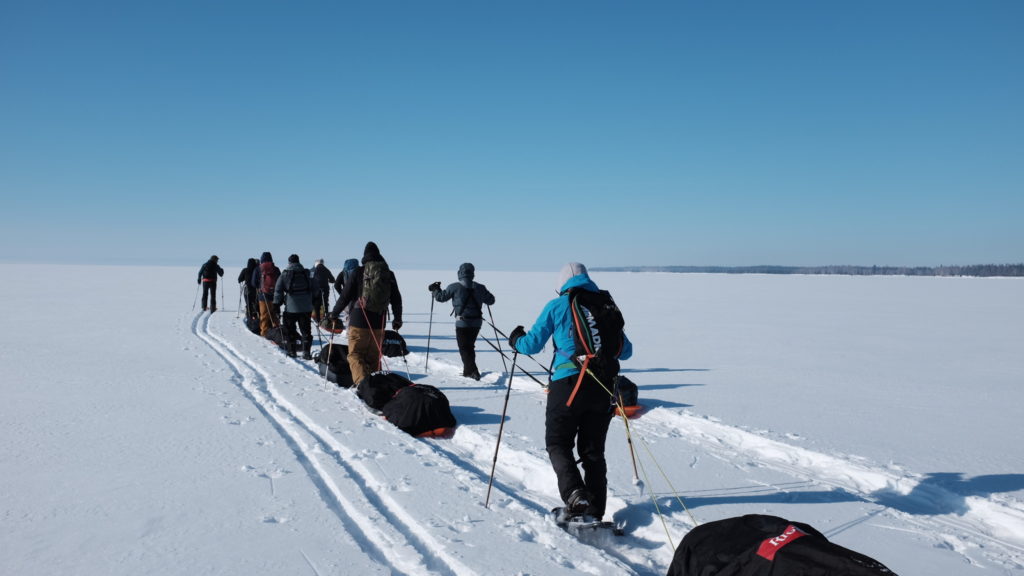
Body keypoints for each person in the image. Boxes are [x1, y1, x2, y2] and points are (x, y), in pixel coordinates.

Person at [508, 262, 632, 521]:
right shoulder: (605, 305)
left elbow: (530, 345)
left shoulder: (558, 305)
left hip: (569, 385)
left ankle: (575, 494)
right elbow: (626, 350)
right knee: (593, 451)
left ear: (562, 284)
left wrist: (515, 339)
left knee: (557, 442)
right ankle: (596, 512)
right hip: (603, 386)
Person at [328, 242, 403, 386]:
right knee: (374, 357)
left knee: (355, 355)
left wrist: (334, 314)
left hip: (359, 319)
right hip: (379, 320)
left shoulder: (358, 272)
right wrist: (397, 318)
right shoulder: (388, 274)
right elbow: (396, 299)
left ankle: (364, 386)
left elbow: (345, 296)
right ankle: (376, 389)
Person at [428, 262, 495, 380]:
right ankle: (468, 370)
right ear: (473, 274)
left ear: (459, 273)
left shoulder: (454, 287)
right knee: (469, 346)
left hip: (462, 323)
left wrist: (435, 289)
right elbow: (491, 300)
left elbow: (440, 297)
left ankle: (472, 371)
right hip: (477, 323)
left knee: (464, 347)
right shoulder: (480, 287)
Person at [274, 254, 318, 359]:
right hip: (306, 308)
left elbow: (278, 291)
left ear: (289, 262)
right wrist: (313, 301)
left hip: (290, 308)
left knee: (290, 330)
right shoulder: (307, 273)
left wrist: (276, 305)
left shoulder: (284, 274)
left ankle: (292, 351)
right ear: (299, 262)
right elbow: (316, 289)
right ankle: (306, 352)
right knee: (306, 331)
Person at [252, 252, 281, 337]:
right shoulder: (276, 269)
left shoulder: (258, 269)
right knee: (274, 314)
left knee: (264, 315)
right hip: (275, 295)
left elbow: (253, 283)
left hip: (263, 295)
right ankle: (277, 332)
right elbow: (280, 282)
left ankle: (264, 333)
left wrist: (260, 287)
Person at [238, 257, 260, 324]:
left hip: (247, 290)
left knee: (248, 304)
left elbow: (239, 279)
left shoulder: (245, 270)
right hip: (256, 290)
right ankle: (256, 316)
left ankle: (249, 318)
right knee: (256, 303)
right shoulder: (257, 270)